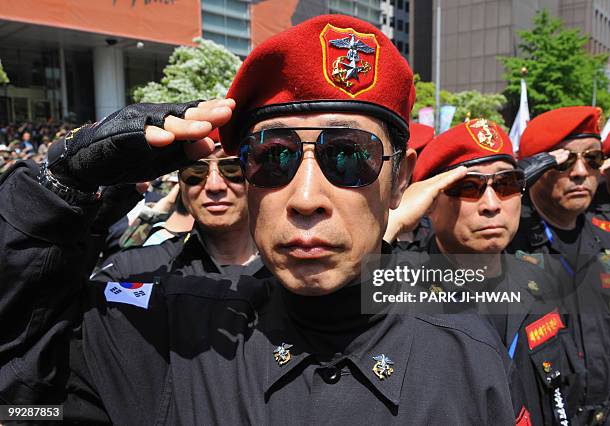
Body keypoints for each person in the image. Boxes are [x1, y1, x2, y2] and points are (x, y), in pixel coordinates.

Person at [0, 16, 519, 424]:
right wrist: (54, 193)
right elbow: (20, 403)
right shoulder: (160, 336)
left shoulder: (469, 357)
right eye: (274, 157)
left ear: (399, 180)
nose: (308, 197)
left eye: (349, 156)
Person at [387, 119, 585, 425]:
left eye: (506, 185)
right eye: (469, 187)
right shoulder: (399, 290)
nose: (491, 204)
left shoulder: (541, 280)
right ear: (428, 202)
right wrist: (394, 220)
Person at [509, 106, 610, 425]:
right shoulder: (503, 248)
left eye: (592, 159)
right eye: (565, 160)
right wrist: (514, 178)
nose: (581, 172)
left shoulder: (605, 239)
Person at [92, 130, 266, 285]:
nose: (214, 185)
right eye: (195, 170)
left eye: (232, 167)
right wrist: (92, 223)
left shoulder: (290, 270)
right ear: (180, 184)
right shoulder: (135, 271)